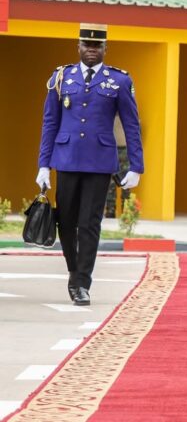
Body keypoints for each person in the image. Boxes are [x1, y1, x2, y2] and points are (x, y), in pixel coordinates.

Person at [36, 23, 144, 306]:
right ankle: (75, 272)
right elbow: (50, 123)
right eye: (87, 45)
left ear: (106, 49)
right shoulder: (61, 77)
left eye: (97, 46)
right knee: (67, 222)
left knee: (90, 224)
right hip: (67, 159)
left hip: (99, 163)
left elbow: (131, 124)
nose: (92, 51)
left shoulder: (118, 81)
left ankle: (82, 282)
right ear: (78, 47)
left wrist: (136, 166)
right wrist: (43, 165)